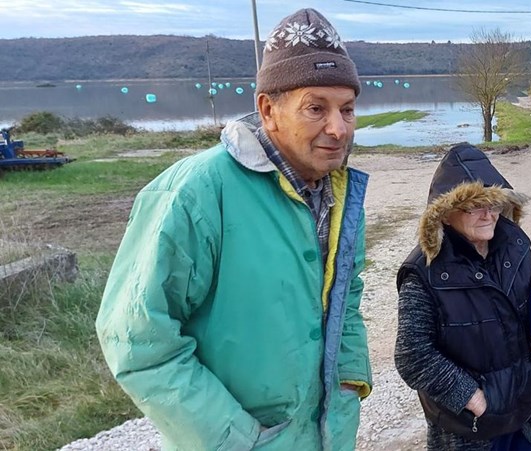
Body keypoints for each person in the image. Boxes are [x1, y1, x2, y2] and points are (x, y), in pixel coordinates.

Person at [95, 8, 371, 450]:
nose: (338, 128)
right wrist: (239, 441)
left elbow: (347, 297)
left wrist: (349, 382)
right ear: (268, 110)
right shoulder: (198, 192)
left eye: (348, 109)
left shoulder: (338, 192)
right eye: (316, 108)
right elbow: (138, 340)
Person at [394, 143, 531, 451]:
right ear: (444, 214)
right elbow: (412, 355)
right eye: (474, 206)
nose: (488, 215)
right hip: (471, 431)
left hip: (524, 415)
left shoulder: (511, 248)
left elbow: (529, 292)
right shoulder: (424, 274)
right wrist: (473, 398)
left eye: (494, 204)